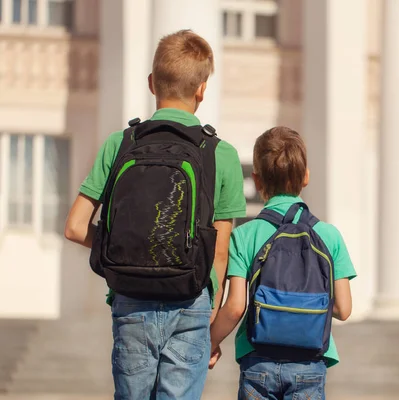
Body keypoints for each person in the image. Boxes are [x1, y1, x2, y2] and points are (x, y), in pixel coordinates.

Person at [64, 29, 246, 399]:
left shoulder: (121, 144)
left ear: (152, 84)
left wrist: (120, 250)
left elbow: (74, 227)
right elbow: (221, 249)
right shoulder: (220, 153)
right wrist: (211, 314)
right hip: (190, 300)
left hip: (130, 297)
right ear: (202, 89)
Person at [208, 126, 356, 400]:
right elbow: (343, 309)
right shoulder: (329, 235)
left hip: (258, 359)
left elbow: (236, 306)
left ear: (256, 179)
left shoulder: (244, 235)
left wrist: (211, 342)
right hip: (309, 362)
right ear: (306, 177)